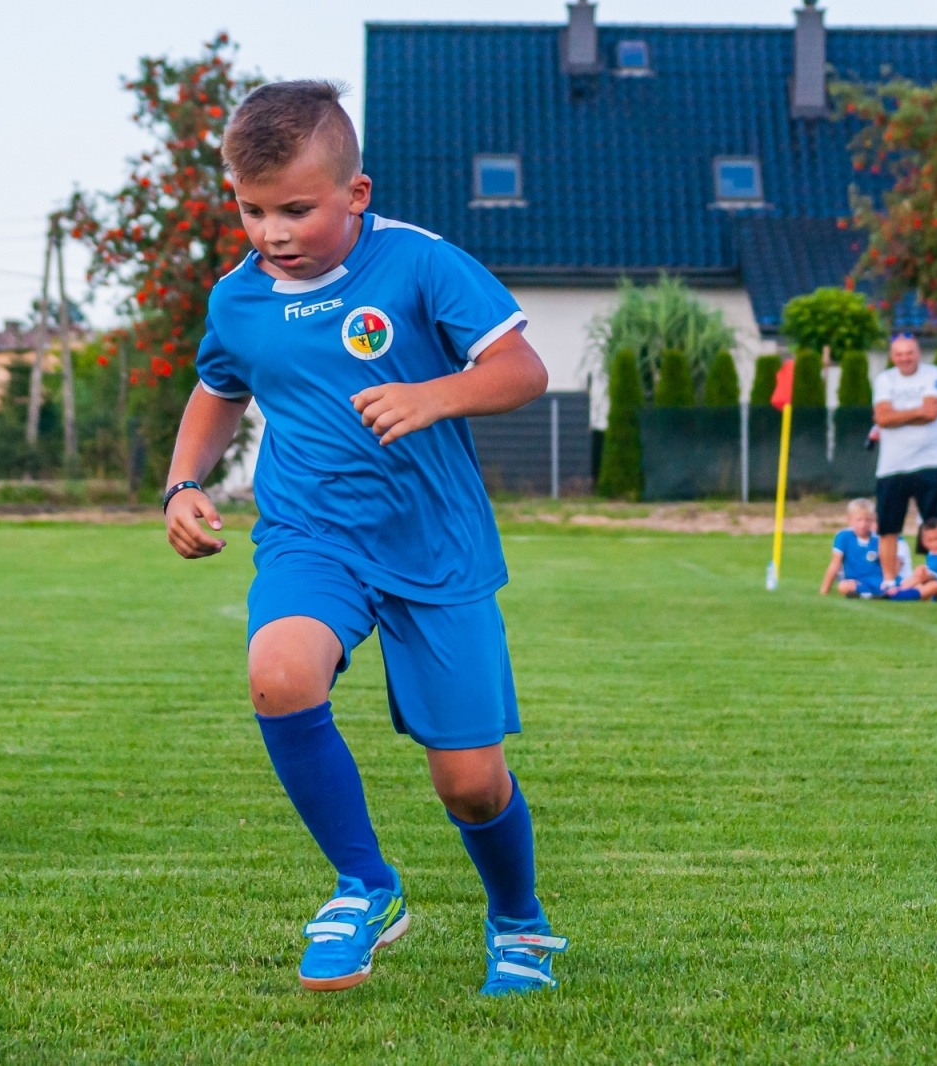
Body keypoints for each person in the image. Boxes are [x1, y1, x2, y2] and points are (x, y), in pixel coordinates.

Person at [163, 81, 564, 996]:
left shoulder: (421, 264)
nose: (272, 231)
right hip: (313, 538)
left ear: (356, 194)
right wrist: (184, 482)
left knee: (469, 784)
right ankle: (364, 885)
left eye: (296, 209)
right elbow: (220, 389)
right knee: (279, 673)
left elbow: (521, 367)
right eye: (252, 209)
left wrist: (435, 394)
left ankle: (519, 921)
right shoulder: (238, 300)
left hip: (437, 549)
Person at [871, 333, 937, 586]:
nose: (905, 358)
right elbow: (882, 418)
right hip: (892, 465)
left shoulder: (933, 373)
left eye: (909, 352)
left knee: (935, 524)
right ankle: (889, 580)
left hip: (931, 461)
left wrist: (897, 415)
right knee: (888, 527)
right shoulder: (884, 380)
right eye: (899, 353)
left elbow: (932, 412)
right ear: (892, 356)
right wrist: (917, 411)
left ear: (918, 353)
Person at [820, 498, 884, 597]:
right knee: (843, 586)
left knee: (889, 585)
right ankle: (874, 594)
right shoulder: (843, 536)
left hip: (876, 579)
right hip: (854, 581)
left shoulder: (878, 539)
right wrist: (824, 590)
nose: (863, 524)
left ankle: (870, 594)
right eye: (859, 520)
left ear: (872, 520)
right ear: (849, 520)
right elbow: (835, 564)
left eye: (867, 520)